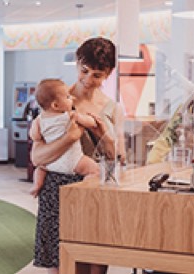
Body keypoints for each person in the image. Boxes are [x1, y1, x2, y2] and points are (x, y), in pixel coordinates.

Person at [30, 37, 124, 274]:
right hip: (58, 189)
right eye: (84, 70)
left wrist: (107, 138)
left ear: (108, 73)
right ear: (76, 63)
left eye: (97, 74)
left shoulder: (113, 109)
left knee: (96, 264)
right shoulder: (54, 100)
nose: (88, 79)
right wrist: (70, 138)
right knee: (63, 264)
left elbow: (115, 159)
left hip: (95, 188)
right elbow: (37, 157)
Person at [28, 79, 99, 198]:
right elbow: (91, 123)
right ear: (55, 105)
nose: (72, 99)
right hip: (72, 160)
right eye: (68, 97)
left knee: (40, 169)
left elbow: (34, 136)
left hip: (51, 164)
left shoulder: (39, 120)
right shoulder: (69, 115)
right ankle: (84, 189)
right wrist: (91, 119)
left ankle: (36, 185)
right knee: (95, 170)